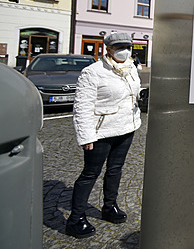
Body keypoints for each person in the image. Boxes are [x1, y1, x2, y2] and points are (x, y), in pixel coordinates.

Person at [66, 32, 142, 238]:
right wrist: (86, 136)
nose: (124, 51)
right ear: (108, 49)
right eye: (119, 47)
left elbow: (133, 94)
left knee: (115, 169)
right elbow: (82, 106)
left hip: (126, 128)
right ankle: (76, 219)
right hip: (101, 132)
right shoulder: (93, 72)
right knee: (90, 174)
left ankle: (110, 207)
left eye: (127, 47)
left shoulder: (131, 67)